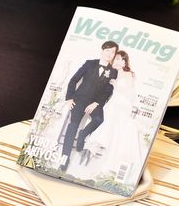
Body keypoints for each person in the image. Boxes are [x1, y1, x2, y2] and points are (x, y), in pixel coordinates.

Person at [83, 50, 143, 184]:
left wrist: (116, 86)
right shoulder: (112, 72)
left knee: (115, 134)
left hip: (122, 106)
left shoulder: (128, 74)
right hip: (113, 104)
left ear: (125, 62)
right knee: (107, 129)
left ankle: (106, 163)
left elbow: (131, 94)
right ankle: (96, 152)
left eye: (121, 59)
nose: (118, 62)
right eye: (116, 59)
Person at [58, 40, 119, 172]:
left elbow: (108, 90)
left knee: (99, 119)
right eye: (107, 50)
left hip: (95, 102)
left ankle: (83, 134)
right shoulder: (89, 63)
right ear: (102, 50)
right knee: (72, 126)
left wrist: (96, 103)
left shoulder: (113, 71)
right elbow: (74, 80)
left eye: (112, 52)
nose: (109, 54)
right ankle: (64, 160)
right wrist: (69, 98)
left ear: (114, 55)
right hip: (79, 99)